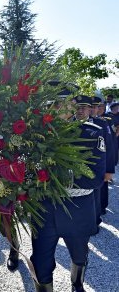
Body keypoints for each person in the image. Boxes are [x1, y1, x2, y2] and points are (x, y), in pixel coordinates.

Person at [30, 95, 106, 292]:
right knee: (40, 261)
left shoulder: (90, 133)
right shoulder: (35, 134)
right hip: (44, 208)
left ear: (72, 106)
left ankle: (77, 284)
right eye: (51, 103)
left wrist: (54, 177)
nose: (55, 108)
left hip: (78, 208)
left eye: (60, 103)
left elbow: (96, 178)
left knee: (79, 255)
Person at [90, 97, 115, 229]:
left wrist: (109, 170)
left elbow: (109, 148)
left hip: (99, 166)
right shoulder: (75, 122)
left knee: (98, 193)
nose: (95, 109)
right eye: (92, 106)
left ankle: (96, 217)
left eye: (96, 106)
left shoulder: (103, 123)